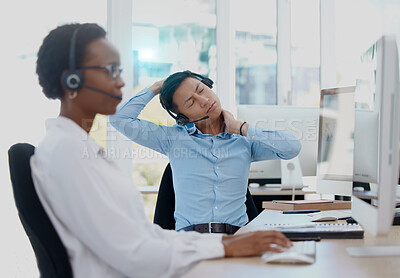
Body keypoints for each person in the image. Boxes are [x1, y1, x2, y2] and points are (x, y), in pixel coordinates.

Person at [31, 23, 292, 278]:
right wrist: (223, 246)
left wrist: (226, 245)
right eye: (109, 70)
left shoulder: (79, 148)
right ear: (72, 80)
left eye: (118, 70)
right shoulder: (66, 154)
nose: (121, 82)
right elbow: (131, 253)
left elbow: (143, 235)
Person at [110, 71, 302, 233]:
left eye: (201, 90)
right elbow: (119, 119)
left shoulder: (243, 140)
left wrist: (241, 127)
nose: (204, 100)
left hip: (239, 239)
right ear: (183, 116)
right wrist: (158, 86)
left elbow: (292, 148)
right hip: (191, 241)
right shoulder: (172, 139)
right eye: (190, 102)